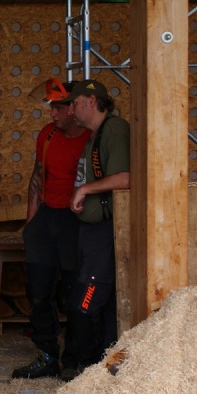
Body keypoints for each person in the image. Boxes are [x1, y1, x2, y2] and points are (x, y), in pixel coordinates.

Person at [12, 79, 91, 382]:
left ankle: (73, 359)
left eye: (58, 108)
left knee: (74, 293)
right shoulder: (47, 134)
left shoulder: (91, 138)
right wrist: (31, 224)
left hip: (76, 221)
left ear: (74, 108)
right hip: (46, 219)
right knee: (38, 291)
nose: (52, 113)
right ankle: (46, 355)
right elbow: (37, 177)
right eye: (51, 107)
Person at [65, 79, 130, 375]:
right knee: (93, 303)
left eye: (75, 103)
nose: (71, 110)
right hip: (90, 233)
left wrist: (85, 189)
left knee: (86, 304)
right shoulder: (94, 135)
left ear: (91, 101)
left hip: (105, 232)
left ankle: (93, 368)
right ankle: (98, 366)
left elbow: (125, 178)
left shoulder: (114, 129)